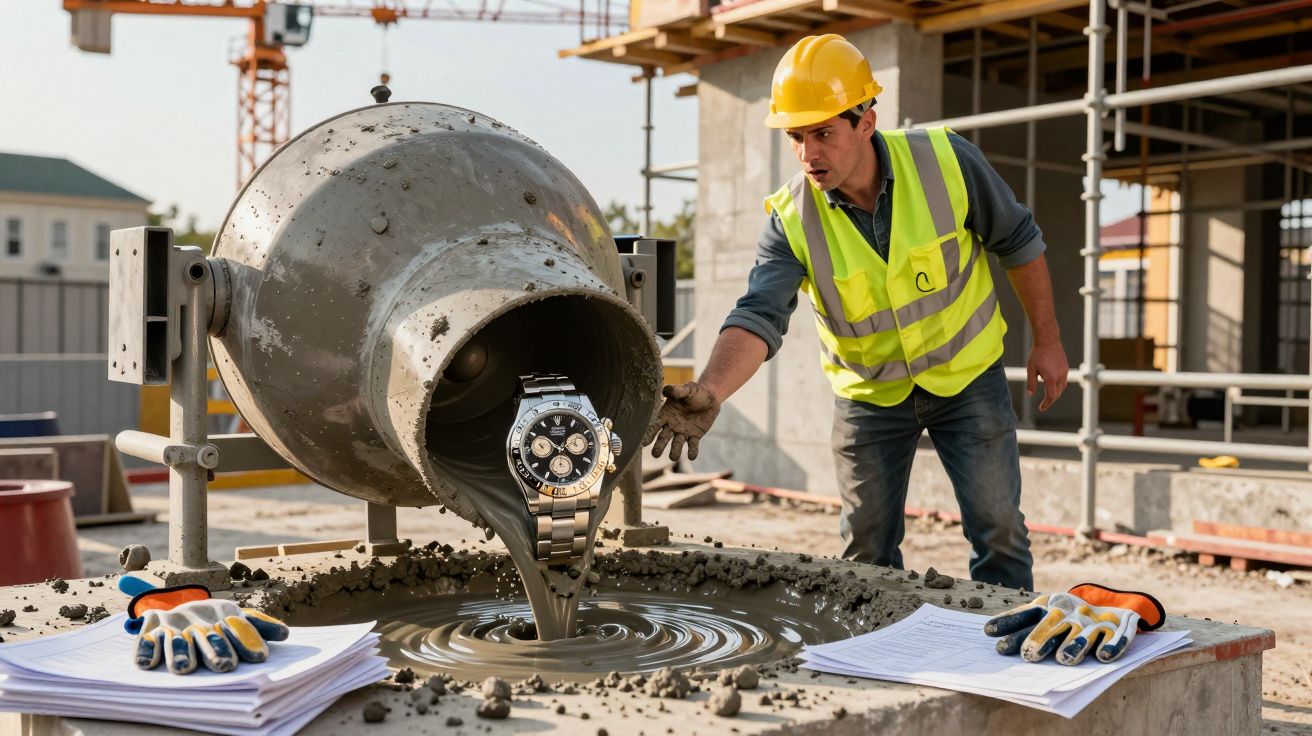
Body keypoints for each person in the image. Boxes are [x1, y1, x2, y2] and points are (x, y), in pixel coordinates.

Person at [642, 33, 1068, 591]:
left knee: (999, 529)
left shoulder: (946, 162)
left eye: (823, 133)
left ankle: (1004, 645)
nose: (808, 153)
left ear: (866, 121)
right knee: (865, 544)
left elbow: (1019, 241)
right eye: (796, 136)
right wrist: (713, 390)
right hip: (870, 396)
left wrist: (1048, 340)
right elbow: (759, 315)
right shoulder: (791, 217)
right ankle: (881, 653)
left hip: (966, 377)